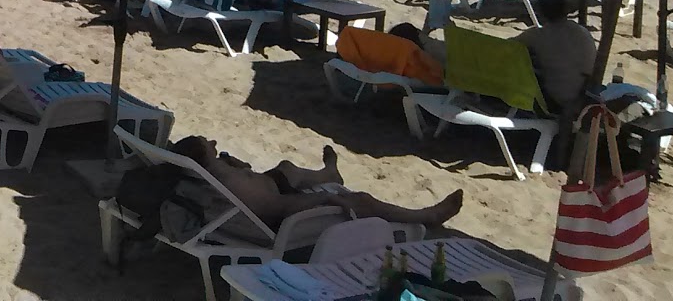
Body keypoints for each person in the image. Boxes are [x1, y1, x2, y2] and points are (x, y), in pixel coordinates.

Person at [170, 137, 463, 227]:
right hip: (281, 210)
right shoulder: (228, 184)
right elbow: (276, 206)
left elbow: (252, 178)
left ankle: (329, 174)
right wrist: (326, 199)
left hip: (272, 187)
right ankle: (426, 217)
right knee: (360, 200)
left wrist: (241, 167)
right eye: (207, 144)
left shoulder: (211, 175)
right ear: (202, 157)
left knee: (287, 168)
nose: (213, 141)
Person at [514, 0, 596, 113]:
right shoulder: (582, 32)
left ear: (540, 12)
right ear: (566, 10)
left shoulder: (538, 35)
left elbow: (508, 45)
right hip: (584, 95)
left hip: (557, 99)